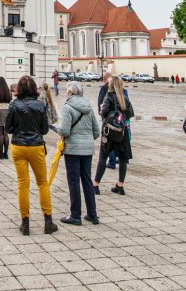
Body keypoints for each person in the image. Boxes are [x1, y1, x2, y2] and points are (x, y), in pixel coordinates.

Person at [6, 75, 56, 235]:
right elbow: (44, 130)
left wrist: (19, 129)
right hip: (36, 146)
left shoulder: (14, 105)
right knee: (42, 183)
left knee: (23, 184)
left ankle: (25, 223)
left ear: (19, 89)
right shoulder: (40, 105)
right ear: (34, 88)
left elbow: (8, 128)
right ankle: (48, 222)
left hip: (18, 147)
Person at [56, 82, 101, 225]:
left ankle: (75, 215)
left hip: (73, 149)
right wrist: (87, 140)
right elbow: (96, 131)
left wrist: (58, 129)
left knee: (74, 181)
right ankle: (92, 214)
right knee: (87, 180)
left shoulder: (67, 107)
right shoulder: (89, 107)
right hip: (88, 149)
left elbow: (64, 131)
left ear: (70, 93)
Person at [92, 75, 133, 195]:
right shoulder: (125, 98)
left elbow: (103, 112)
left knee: (103, 157)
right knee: (122, 159)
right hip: (122, 131)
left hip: (109, 131)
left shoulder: (109, 96)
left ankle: (95, 185)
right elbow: (130, 114)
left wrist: (103, 112)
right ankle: (120, 186)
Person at [97, 71, 117, 169]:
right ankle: (117, 158)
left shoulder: (105, 87)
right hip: (118, 119)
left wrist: (100, 112)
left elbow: (100, 101)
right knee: (116, 138)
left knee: (108, 139)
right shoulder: (118, 88)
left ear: (106, 78)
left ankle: (112, 161)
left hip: (108, 118)